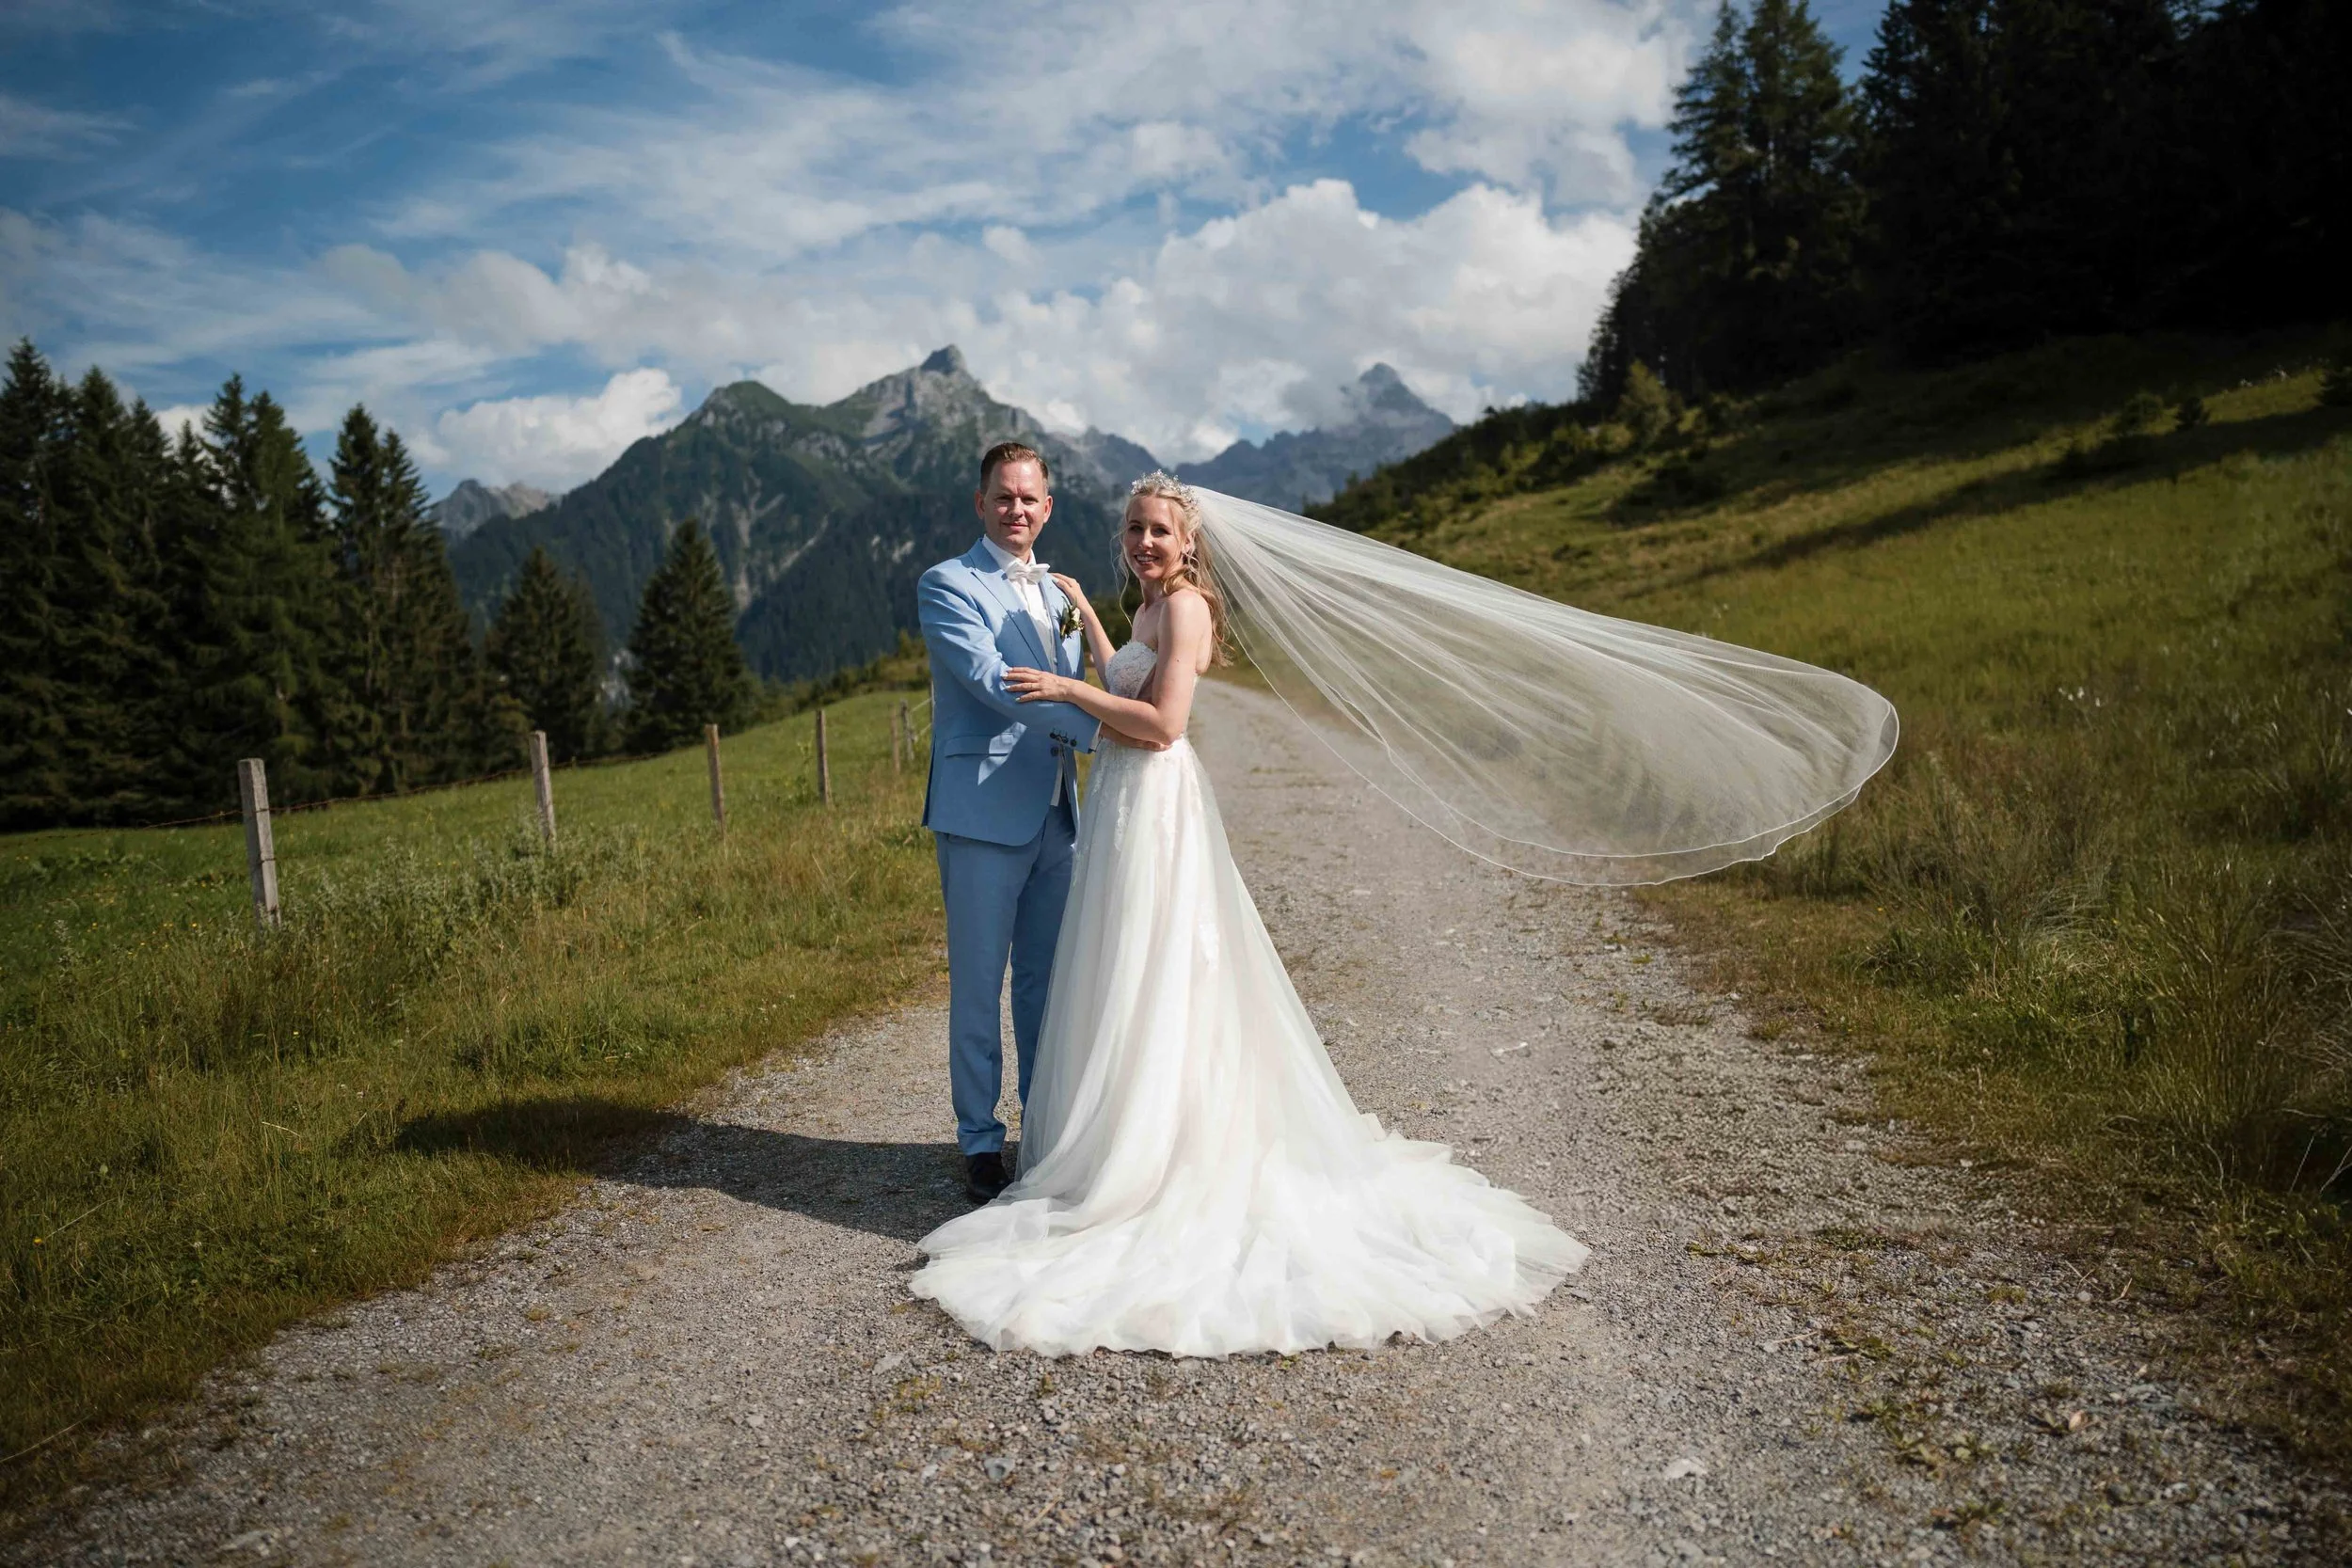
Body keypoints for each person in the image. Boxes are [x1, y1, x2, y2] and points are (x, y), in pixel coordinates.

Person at [910, 473, 1592, 1355]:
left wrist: (1074, 693)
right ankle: (1085, 1131)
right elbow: (1128, 667)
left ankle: (1156, 1144)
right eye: (1133, 529)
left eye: (1159, 531)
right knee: (1114, 965)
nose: (1145, 542)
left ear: (1189, 542)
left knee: (1155, 968)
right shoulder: (1143, 606)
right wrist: (1086, 608)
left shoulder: (1186, 609)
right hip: (1115, 804)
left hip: (1151, 800)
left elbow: (1161, 724)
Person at [914, 441, 1101, 1205]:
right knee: (978, 986)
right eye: (1003, 497)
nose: (1017, 509)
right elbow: (995, 684)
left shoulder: (1060, 592)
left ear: (1047, 506)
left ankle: (1045, 1128)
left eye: (1030, 498)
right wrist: (1110, 733)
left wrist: (1101, 715)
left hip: (1057, 808)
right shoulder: (946, 584)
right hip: (982, 810)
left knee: (1046, 984)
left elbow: (1080, 680)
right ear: (981, 503)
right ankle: (980, 1142)